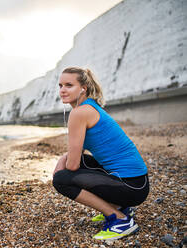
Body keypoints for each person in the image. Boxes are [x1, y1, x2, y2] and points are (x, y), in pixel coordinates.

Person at [52, 67, 149, 241]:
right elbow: (77, 155)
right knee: (77, 164)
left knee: (61, 180)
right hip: (138, 183)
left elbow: (72, 165)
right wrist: (63, 159)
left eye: (69, 85)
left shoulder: (79, 112)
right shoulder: (89, 107)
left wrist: (61, 167)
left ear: (83, 88)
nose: (63, 90)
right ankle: (121, 207)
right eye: (60, 85)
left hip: (132, 187)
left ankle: (119, 219)